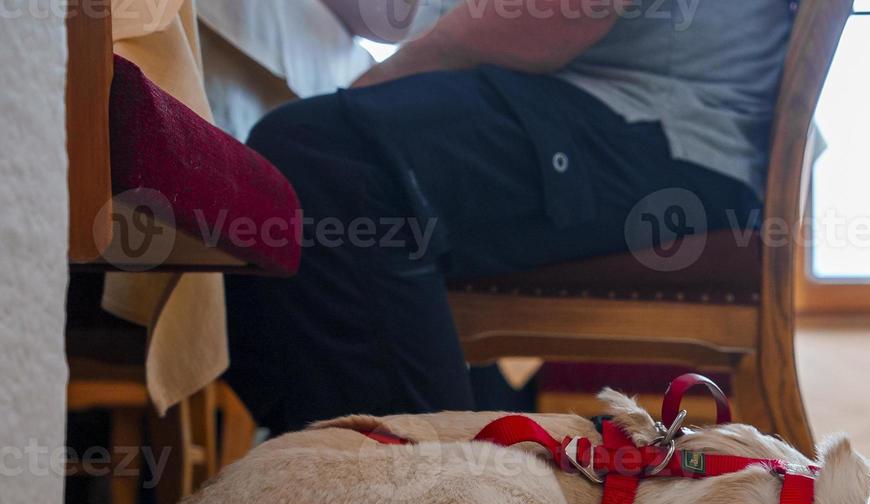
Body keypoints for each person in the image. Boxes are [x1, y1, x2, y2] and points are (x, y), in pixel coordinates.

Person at [224, 0, 794, 434]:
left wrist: (369, 90)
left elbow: (555, 15)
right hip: (645, 124)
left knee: (325, 161)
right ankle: (405, 495)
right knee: (314, 167)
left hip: (667, 139)